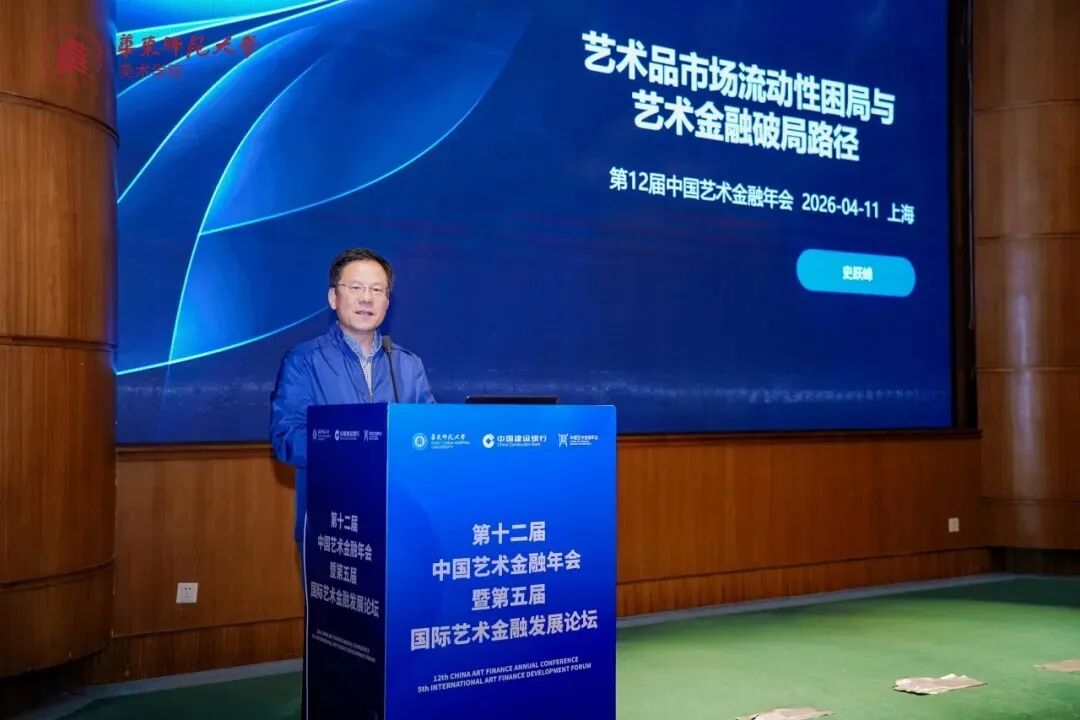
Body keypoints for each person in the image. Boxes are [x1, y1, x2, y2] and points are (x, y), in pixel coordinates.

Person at [270, 247, 436, 548]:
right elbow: (287, 439)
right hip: (332, 527)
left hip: (398, 525)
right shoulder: (304, 361)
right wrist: (358, 448)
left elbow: (430, 434)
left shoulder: (408, 365)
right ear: (333, 298)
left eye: (377, 290)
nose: (366, 298)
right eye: (355, 288)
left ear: (387, 302)